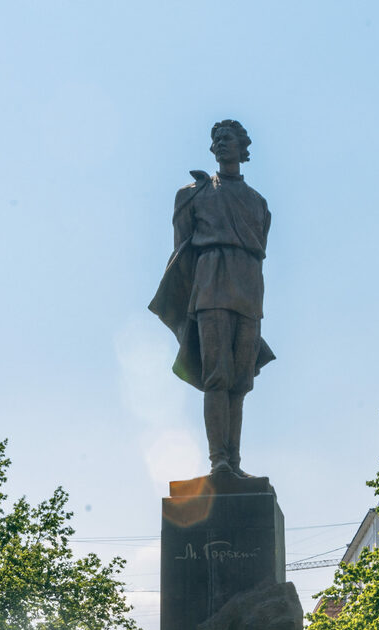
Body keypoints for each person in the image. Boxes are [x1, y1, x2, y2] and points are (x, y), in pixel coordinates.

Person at [148, 119, 275, 477]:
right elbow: (181, 252)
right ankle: (218, 461)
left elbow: (260, 248)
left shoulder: (259, 203)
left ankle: (234, 463)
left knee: (240, 381)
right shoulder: (193, 193)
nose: (221, 143)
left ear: (243, 148)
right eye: (216, 139)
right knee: (217, 376)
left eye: (228, 138)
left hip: (248, 289)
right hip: (211, 286)